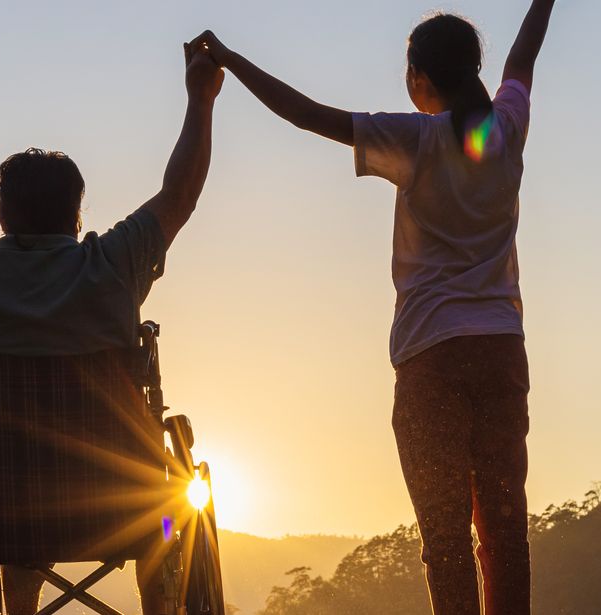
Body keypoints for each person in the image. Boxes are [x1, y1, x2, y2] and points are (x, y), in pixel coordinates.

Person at [196, 2, 556, 613]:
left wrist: (229, 61)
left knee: (445, 538)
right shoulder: (506, 128)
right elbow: (523, 59)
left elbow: (308, 115)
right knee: (504, 529)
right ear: (473, 68)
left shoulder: (416, 138)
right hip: (500, 349)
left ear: (420, 79)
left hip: (431, 359)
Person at [0, 37, 223, 615]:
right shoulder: (113, 266)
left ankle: (19, 606)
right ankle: (161, 603)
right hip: (126, 503)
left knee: (12, 473)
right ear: (76, 213)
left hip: (9, 509)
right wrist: (200, 99)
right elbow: (180, 194)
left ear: (1, 215)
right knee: (169, 504)